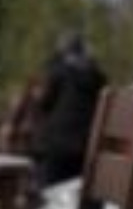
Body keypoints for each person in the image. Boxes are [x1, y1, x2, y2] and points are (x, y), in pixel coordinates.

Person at [24, 33, 109, 188]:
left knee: (45, 186)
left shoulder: (58, 71)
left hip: (56, 147)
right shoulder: (98, 77)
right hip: (87, 147)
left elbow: (44, 104)